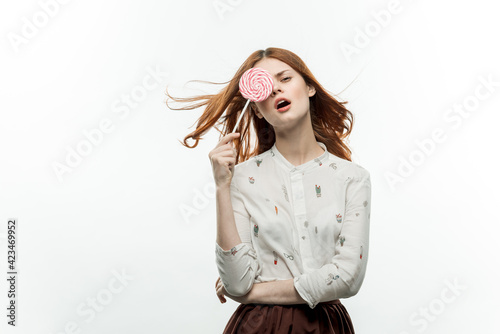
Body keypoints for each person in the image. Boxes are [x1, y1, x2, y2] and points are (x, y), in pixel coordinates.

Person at [168, 47, 371, 333]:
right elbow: (237, 281)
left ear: (310, 87)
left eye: (285, 78)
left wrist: (252, 293)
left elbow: (348, 277)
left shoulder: (353, 178)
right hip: (257, 326)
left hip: (325, 327)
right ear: (257, 110)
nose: (275, 89)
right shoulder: (240, 178)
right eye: (266, 86)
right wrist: (222, 187)